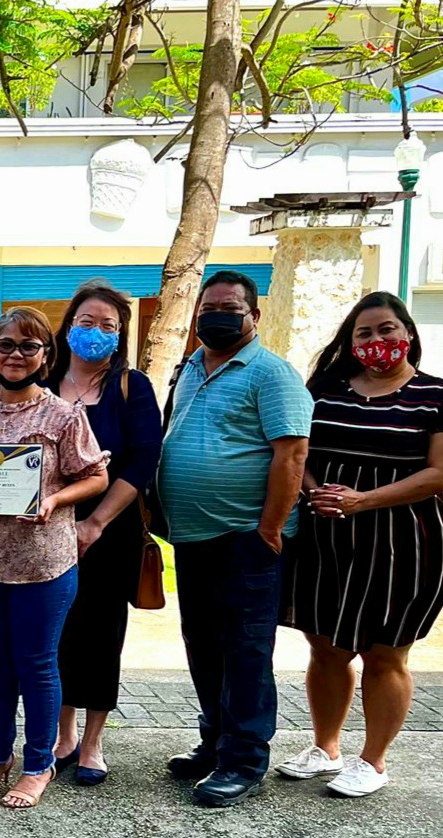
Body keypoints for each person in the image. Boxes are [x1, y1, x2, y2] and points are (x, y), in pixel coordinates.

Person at [276, 292, 443, 798]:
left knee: (384, 652)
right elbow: (296, 448)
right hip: (327, 537)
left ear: (407, 334)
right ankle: (326, 747)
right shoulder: (324, 390)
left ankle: (373, 759)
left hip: (406, 541)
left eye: (386, 330)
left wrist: (364, 500)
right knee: (326, 646)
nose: (376, 341)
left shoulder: (438, 395)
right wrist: (312, 489)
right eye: (363, 333)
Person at [157, 270, 313, 807]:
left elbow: (291, 454)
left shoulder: (273, 374)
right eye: (208, 309)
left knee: (245, 651)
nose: (215, 317)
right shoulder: (192, 368)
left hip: (247, 540)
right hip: (195, 539)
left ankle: (244, 760)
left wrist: (270, 528)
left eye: (229, 308)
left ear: (254, 316)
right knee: (203, 645)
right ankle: (215, 743)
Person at [0, 307, 108, 809]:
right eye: (6, 345)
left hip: (43, 562)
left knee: (36, 664)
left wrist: (56, 500)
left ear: (44, 355)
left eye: (28, 346)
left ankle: (39, 762)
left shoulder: (63, 415)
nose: (16, 355)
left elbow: (95, 475)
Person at [45, 282, 163, 786]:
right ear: (70, 323)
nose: (95, 333)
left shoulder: (131, 387)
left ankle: (93, 740)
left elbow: (142, 460)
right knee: (56, 633)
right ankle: (62, 733)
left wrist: (95, 523)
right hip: (43, 528)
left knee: (101, 631)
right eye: (87, 321)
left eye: (109, 326)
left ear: (121, 336)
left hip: (109, 529)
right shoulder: (43, 377)